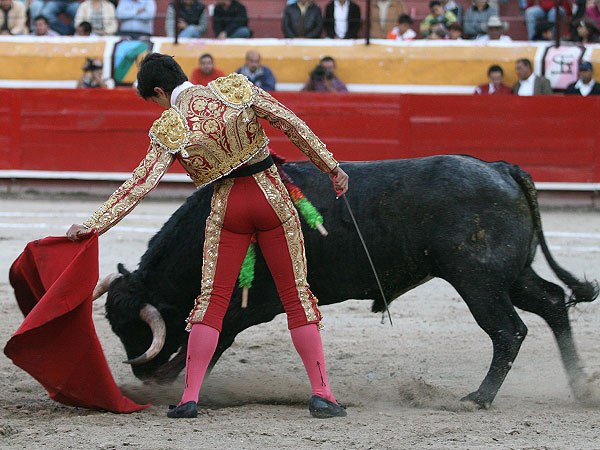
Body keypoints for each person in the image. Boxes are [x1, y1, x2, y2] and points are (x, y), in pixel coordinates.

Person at [66, 52, 349, 420]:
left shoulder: (171, 125)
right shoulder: (234, 88)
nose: (159, 108)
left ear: (159, 91)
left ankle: (188, 400)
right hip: (271, 197)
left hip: (227, 207)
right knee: (296, 298)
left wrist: (93, 224)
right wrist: (331, 167)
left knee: (211, 303)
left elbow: (139, 185)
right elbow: (290, 123)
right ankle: (323, 395)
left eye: (154, 101)